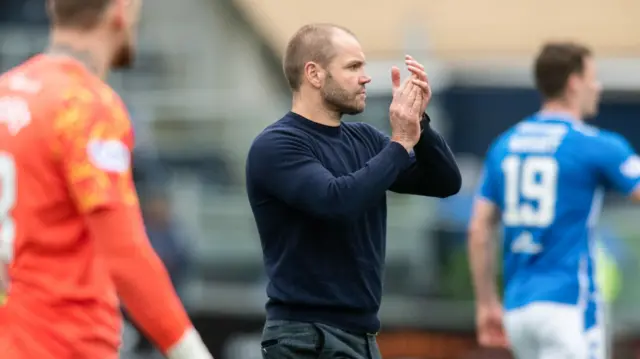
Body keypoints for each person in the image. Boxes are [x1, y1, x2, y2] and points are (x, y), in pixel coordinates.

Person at [0, 1, 213, 358]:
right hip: (66, 342)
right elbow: (125, 253)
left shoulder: (6, 90)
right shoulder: (86, 106)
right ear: (120, 11)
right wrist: (189, 350)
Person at [246, 23, 461, 359]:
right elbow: (337, 201)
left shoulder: (364, 138)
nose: (366, 77)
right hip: (307, 338)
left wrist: (421, 121)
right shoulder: (277, 145)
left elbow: (446, 182)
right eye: (353, 67)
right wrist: (401, 142)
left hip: (360, 337)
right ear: (314, 74)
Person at [468, 42, 640, 359]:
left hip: (518, 310)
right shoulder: (594, 144)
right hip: (568, 305)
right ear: (574, 82)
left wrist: (486, 303)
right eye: (593, 78)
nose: (598, 87)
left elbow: (479, 230)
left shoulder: (505, 144)